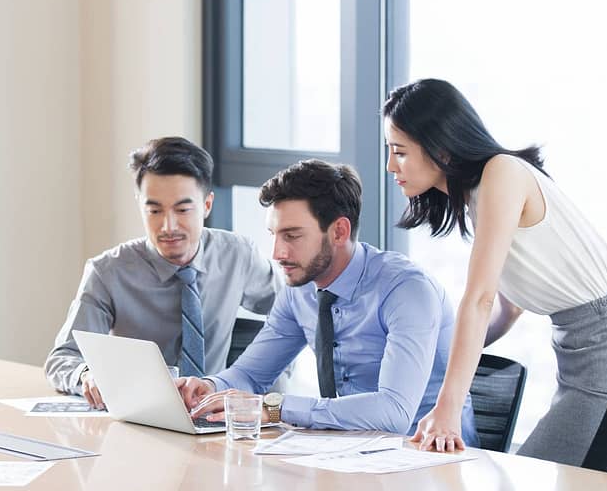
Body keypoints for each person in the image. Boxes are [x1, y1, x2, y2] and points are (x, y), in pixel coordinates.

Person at [382, 78, 607, 465]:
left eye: (399, 152)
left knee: (537, 477)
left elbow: (480, 299)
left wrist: (449, 407)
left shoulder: (501, 173)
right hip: (585, 353)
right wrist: (443, 356)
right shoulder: (480, 196)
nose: (389, 166)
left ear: (440, 148)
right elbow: (507, 309)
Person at [179, 159, 479, 443]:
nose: (277, 253)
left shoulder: (406, 290)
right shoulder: (299, 290)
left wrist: (274, 408)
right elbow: (250, 374)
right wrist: (210, 388)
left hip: (425, 455)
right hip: (345, 452)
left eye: (292, 236)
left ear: (339, 231)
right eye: (274, 234)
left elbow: (395, 412)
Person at [45, 136, 281, 407]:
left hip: (216, 414)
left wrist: (272, 376)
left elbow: (291, 310)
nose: (168, 226)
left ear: (207, 205)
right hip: (141, 416)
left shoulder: (237, 255)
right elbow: (62, 358)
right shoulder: (108, 272)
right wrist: (86, 374)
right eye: (154, 210)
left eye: (182, 209)